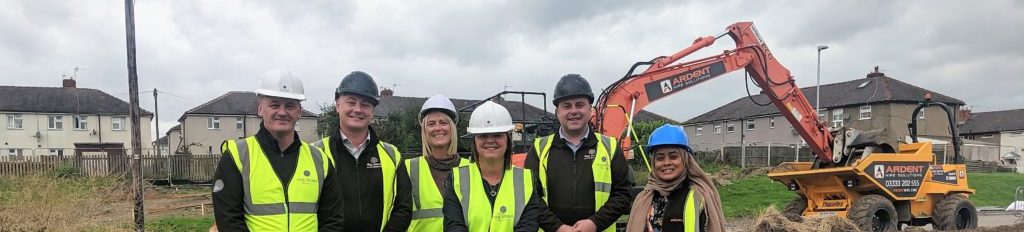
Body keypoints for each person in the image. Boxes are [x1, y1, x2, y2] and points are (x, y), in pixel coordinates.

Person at [212, 68, 342, 231]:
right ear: (260, 109)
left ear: (299, 112)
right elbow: (228, 219)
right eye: (274, 105)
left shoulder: (319, 160)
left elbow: (333, 219)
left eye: (290, 106)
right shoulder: (237, 156)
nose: (282, 112)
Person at [525, 74, 633, 232]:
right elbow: (530, 196)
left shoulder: (610, 147)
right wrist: (557, 228)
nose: (573, 111)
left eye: (579, 105)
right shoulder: (539, 149)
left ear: (590, 110)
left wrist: (595, 223)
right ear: (557, 112)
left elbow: (623, 194)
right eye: (567, 106)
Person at [311, 71, 412, 231]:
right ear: (338, 105)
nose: (357, 110)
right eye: (351, 102)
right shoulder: (315, 154)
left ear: (372, 111)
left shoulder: (391, 155)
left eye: (365, 105)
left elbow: (404, 208)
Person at [442, 101, 541, 232]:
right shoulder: (456, 179)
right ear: (474, 141)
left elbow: (529, 225)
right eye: (483, 135)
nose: (490, 140)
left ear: (507, 139)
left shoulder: (526, 180)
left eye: (497, 135)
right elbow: (453, 226)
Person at [624, 124, 726, 232]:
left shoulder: (700, 196)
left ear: (685, 159)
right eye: (660, 158)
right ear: (653, 162)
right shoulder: (643, 198)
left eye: (673, 156)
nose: (666, 163)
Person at [405, 94, 470, 231]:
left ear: (452, 127)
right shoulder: (407, 169)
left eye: (443, 122)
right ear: (424, 130)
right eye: (431, 123)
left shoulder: (472, 168)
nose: (438, 128)